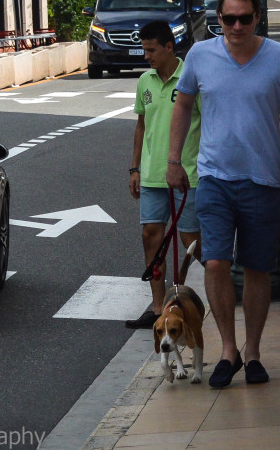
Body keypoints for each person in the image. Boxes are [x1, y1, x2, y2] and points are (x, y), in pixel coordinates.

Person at [167, 0, 280, 388]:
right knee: (215, 262)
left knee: (256, 268)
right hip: (213, 177)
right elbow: (181, 106)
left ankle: (252, 352)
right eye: (228, 19)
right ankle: (227, 350)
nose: (236, 26)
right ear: (218, 19)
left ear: (257, 18)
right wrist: (173, 160)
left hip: (262, 179)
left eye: (244, 18)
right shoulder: (200, 55)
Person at [125, 20, 202, 329]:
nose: (147, 56)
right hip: (153, 175)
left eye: (152, 50)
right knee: (151, 237)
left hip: (188, 174)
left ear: (170, 47)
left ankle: (225, 284)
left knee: (191, 240)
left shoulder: (190, 78)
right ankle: (158, 307)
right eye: (144, 50)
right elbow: (141, 126)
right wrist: (134, 168)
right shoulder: (145, 81)